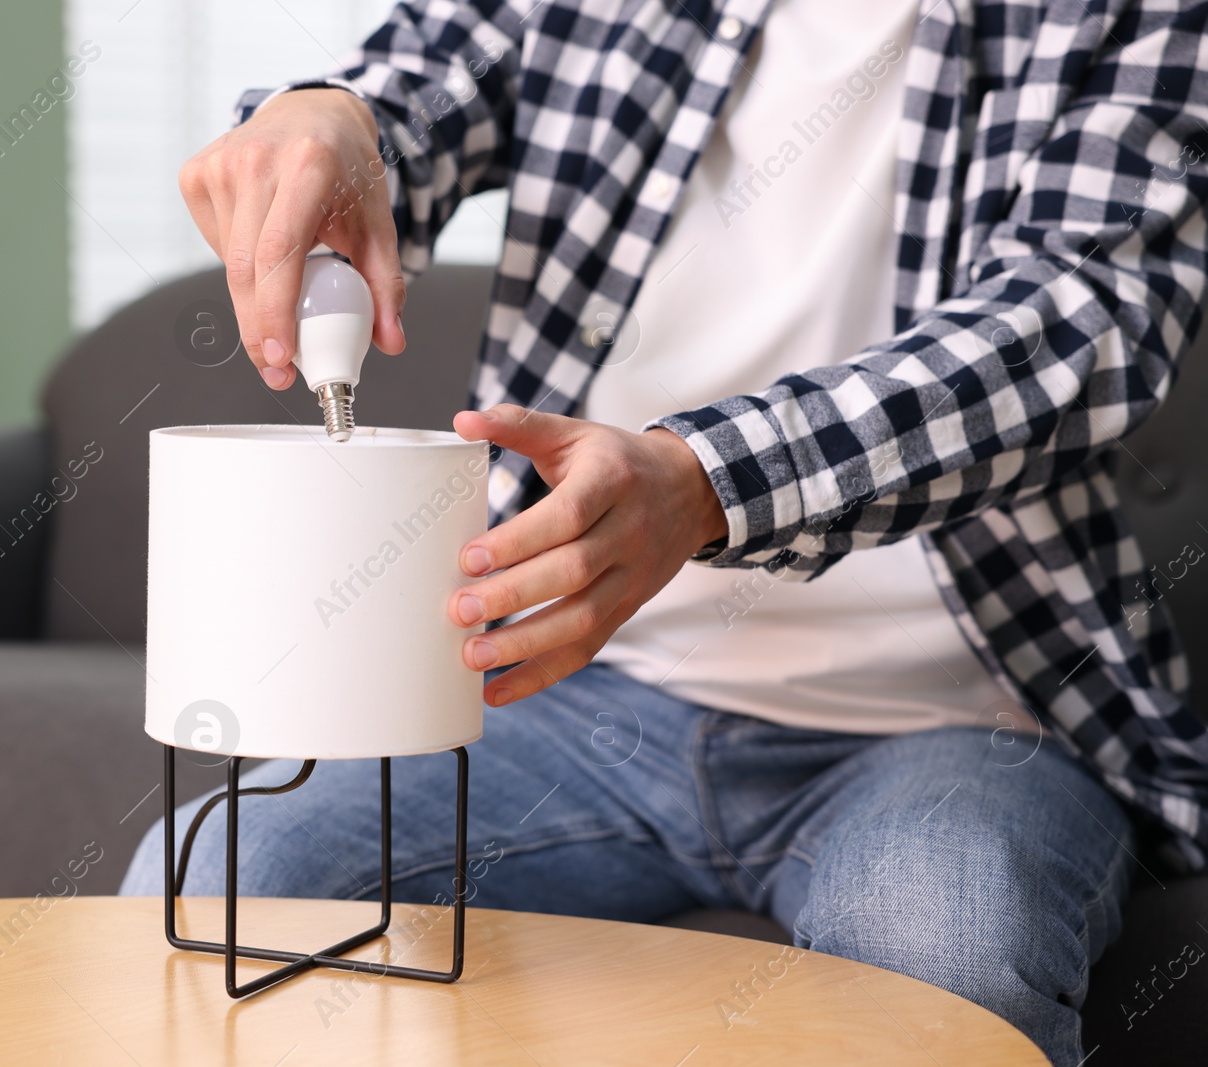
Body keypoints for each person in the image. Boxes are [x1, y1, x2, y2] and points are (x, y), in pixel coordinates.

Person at [121, 2, 1208, 1062]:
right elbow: (418, 79)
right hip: (577, 691)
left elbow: (1080, 322)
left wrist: (704, 484)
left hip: (961, 714)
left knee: (946, 942)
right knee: (218, 872)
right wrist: (327, 116)